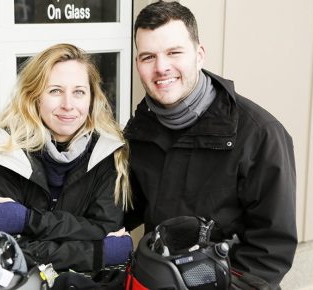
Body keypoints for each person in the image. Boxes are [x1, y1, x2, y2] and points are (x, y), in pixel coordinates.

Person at [0, 43, 132, 278]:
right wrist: (97, 253)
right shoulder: (2, 152)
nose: (68, 105)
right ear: (34, 96)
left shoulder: (106, 153)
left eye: (79, 91)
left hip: (48, 275)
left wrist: (28, 220)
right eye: (55, 91)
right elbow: (8, 251)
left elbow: (104, 228)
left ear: (91, 98)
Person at [124, 1, 297, 289]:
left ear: (199, 54)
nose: (161, 67)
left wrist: (198, 281)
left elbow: (270, 252)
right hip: (157, 278)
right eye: (148, 57)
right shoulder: (142, 128)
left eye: (174, 52)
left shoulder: (260, 134)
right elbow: (124, 209)